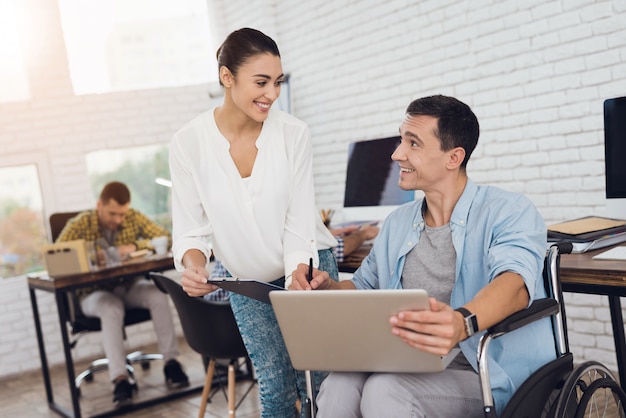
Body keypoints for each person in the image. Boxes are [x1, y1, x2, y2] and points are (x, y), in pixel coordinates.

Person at [291, 95, 555, 417]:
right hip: (409, 361)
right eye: (402, 139)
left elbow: (514, 284)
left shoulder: (509, 210)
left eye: (413, 143)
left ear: (453, 157)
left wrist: (462, 323)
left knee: (385, 390)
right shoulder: (398, 223)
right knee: (339, 383)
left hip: (485, 371)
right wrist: (327, 288)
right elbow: (363, 288)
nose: (397, 153)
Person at [169, 28, 338, 418]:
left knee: (323, 386)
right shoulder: (188, 143)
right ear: (227, 77)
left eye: (277, 82)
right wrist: (195, 267)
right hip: (249, 284)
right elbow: (191, 230)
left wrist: (300, 274)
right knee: (276, 391)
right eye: (261, 82)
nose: (272, 94)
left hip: (308, 269)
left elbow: (299, 222)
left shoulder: (294, 134)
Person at [56, 181, 189, 407]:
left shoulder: (133, 217)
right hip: (93, 295)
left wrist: (135, 247)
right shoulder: (80, 224)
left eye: (122, 214)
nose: (118, 219)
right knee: (111, 308)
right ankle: (119, 379)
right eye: (112, 213)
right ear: (99, 205)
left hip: (128, 287)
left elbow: (165, 237)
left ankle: (171, 363)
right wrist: (88, 258)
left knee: (157, 294)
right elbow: (57, 257)